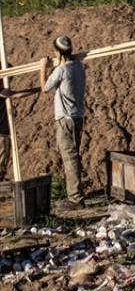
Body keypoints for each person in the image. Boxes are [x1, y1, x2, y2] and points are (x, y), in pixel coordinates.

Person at [41, 36, 86, 206]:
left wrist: (42, 68)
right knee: (73, 156)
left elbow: (44, 88)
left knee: (69, 158)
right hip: (76, 117)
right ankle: (76, 194)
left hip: (66, 120)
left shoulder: (61, 70)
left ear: (58, 52)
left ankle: (75, 198)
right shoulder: (78, 67)